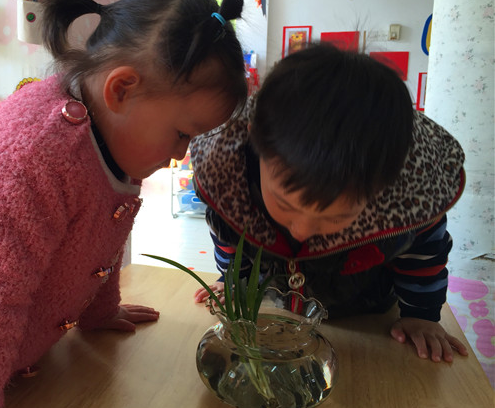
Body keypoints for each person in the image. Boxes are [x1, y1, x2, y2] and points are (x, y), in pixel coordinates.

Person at [0, 0, 247, 408]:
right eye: (182, 134)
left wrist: (100, 311)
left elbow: (96, 231)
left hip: (6, 368)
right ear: (121, 89)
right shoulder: (27, 159)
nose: (181, 154)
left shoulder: (112, 130)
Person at [191, 43, 469, 364]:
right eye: (285, 205)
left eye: (336, 217)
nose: (301, 230)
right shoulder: (229, 175)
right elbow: (228, 233)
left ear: (385, 186)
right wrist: (233, 280)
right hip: (276, 309)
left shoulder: (410, 197)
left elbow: (423, 252)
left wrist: (421, 314)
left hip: (367, 316)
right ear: (256, 143)